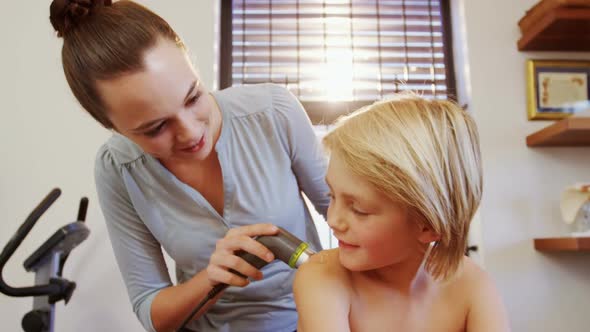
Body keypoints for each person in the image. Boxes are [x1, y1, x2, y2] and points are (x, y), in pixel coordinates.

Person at [49, 1, 329, 331]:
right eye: (155, 128)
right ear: (112, 126)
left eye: (193, 96)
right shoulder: (118, 168)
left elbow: (349, 216)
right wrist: (212, 279)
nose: (191, 132)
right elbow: (150, 308)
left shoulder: (272, 112)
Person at [293, 95, 511, 331]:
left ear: (428, 226)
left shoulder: (473, 285)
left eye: (359, 210)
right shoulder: (322, 277)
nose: (333, 220)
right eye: (332, 196)